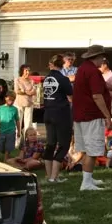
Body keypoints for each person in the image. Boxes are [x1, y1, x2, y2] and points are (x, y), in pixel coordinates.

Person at [72, 45, 112, 191]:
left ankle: (88, 178)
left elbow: (103, 86)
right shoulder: (93, 72)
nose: (103, 60)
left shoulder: (82, 69)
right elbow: (97, 95)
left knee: (85, 149)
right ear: (96, 57)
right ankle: (86, 183)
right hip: (91, 115)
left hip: (79, 115)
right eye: (102, 57)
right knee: (93, 150)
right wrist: (107, 116)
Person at [43, 54, 74, 183]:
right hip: (61, 114)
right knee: (63, 145)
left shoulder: (45, 79)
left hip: (48, 113)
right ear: (62, 65)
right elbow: (71, 94)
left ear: (51, 65)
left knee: (50, 144)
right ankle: (54, 177)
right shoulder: (63, 79)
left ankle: (49, 175)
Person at [14, 64, 36, 146]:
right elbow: (17, 91)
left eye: (29, 70)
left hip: (29, 104)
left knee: (28, 123)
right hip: (19, 103)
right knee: (18, 123)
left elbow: (34, 92)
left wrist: (24, 90)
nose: (28, 72)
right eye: (26, 70)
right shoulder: (18, 80)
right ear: (22, 71)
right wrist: (27, 92)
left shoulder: (31, 81)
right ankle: (17, 143)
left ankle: (27, 143)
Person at [0, 92, 19, 162]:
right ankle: (6, 154)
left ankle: (6, 159)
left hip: (11, 131)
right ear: (5, 98)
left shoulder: (15, 109)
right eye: (9, 100)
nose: (11, 102)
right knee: (0, 146)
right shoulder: (0, 108)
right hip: (2, 131)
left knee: (8, 147)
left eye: (13, 100)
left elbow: (17, 120)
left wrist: (19, 131)